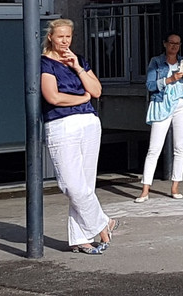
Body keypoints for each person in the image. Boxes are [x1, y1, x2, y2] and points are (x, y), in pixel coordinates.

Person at [40, 18, 117, 255]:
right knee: (71, 185)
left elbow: (97, 90)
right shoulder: (44, 63)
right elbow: (53, 97)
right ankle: (102, 222)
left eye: (68, 36)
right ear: (51, 37)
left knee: (86, 185)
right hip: (61, 124)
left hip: (89, 123)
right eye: (60, 36)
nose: (65, 41)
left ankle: (80, 239)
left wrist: (78, 68)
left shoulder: (79, 60)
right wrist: (82, 98)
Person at [137, 32, 183, 203]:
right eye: (171, 43)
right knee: (154, 148)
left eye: (177, 43)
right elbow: (150, 85)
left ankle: (175, 186)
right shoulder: (156, 62)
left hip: (182, 104)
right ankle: (145, 189)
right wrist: (170, 79)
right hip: (162, 104)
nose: (174, 46)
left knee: (180, 147)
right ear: (165, 44)